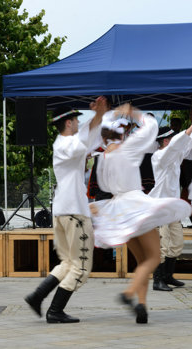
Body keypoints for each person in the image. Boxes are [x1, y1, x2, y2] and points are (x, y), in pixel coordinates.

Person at [90, 104, 191, 324]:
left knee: (141, 261)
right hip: (135, 205)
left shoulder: (102, 160)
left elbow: (105, 187)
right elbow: (152, 125)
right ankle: (129, 294)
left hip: (120, 211)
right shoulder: (128, 148)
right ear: (123, 132)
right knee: (153, 257)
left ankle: (142, 307)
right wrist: (132, 111)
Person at [24, 97, 107, 324]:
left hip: (64, 211)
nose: (78, 124)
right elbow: (85, 141)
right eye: (76, 121)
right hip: (74, 213)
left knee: (68, 263)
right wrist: (98, 115)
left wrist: (98, 118)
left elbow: (85, 144)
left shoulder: (63, 145)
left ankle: (37, 296)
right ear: (69, 123)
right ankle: (55, 310)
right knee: (81, 266)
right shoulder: (65, 143)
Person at [148, 123, 192, 291]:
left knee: (176, 243)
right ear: (166, 141)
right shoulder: (159, 157)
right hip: (161, 206)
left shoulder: (173, 158)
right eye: (172, 139)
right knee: (163, 245)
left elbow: (185, 145)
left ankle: (168, 276)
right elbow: (177, 145)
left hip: (173, 207)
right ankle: (157, 280)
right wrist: (189, 129)